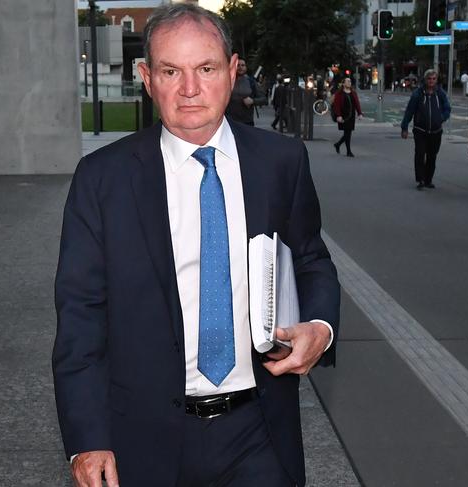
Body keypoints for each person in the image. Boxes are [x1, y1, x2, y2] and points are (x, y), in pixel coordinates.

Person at [52, 4, 340, 487]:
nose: (189, 89)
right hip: (141, 441)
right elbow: (80, 314)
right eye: (171, 71)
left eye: (205, 69)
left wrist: (321, 326)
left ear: (231, 72)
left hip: (260, 433)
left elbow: (311, 260)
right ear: (147, 78)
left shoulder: (280, 162)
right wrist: (87, 437)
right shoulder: (103, 179)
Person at [401, 68, 451, 190]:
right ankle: (421, 179)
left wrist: (442, 118)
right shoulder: (418, 94)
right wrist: (404, 127)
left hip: (436, 130)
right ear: (425, 79)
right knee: (419, 154)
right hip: (420, 130)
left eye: (434, 79)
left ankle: (428, 179)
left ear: (436, 80)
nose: (431, 81)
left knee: (432, 156)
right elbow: (409, 111)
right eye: (429, 78)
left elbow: (447, 108)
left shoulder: (440, 93)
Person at [225, 58, 266, 126]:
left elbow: (264, 99)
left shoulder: (251, 82)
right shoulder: (226, 81)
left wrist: (253, 101)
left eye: (243, 65)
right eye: (238, 65)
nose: (240, 67)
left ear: (246, 67)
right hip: (229, 122)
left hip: (247, 122)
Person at [332, 77, 362, 157]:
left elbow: (357, 103)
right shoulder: (339, 93)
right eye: (347, 81)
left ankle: (338, 144)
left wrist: (359, 113)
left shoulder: (353, 92)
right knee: (347, 133)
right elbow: (336, 105)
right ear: (343, 83)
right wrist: (338, 115)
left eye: (350, 81)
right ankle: (348, 151)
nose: (349, 83)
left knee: (348, 133)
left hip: (351, 115)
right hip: (343, 115)